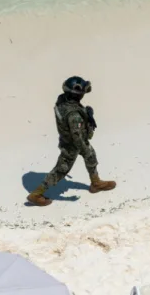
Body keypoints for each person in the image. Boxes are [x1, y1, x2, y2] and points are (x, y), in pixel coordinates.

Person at [26, 76, 116, 206]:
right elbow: (77, 136)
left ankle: (95, 183)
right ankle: (36, 194)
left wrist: (86, 114)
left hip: (69, 139)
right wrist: (84, 147)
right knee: (61, 170)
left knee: (91, 157)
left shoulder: (62, 101)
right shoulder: (74, 115)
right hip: (72, 145)